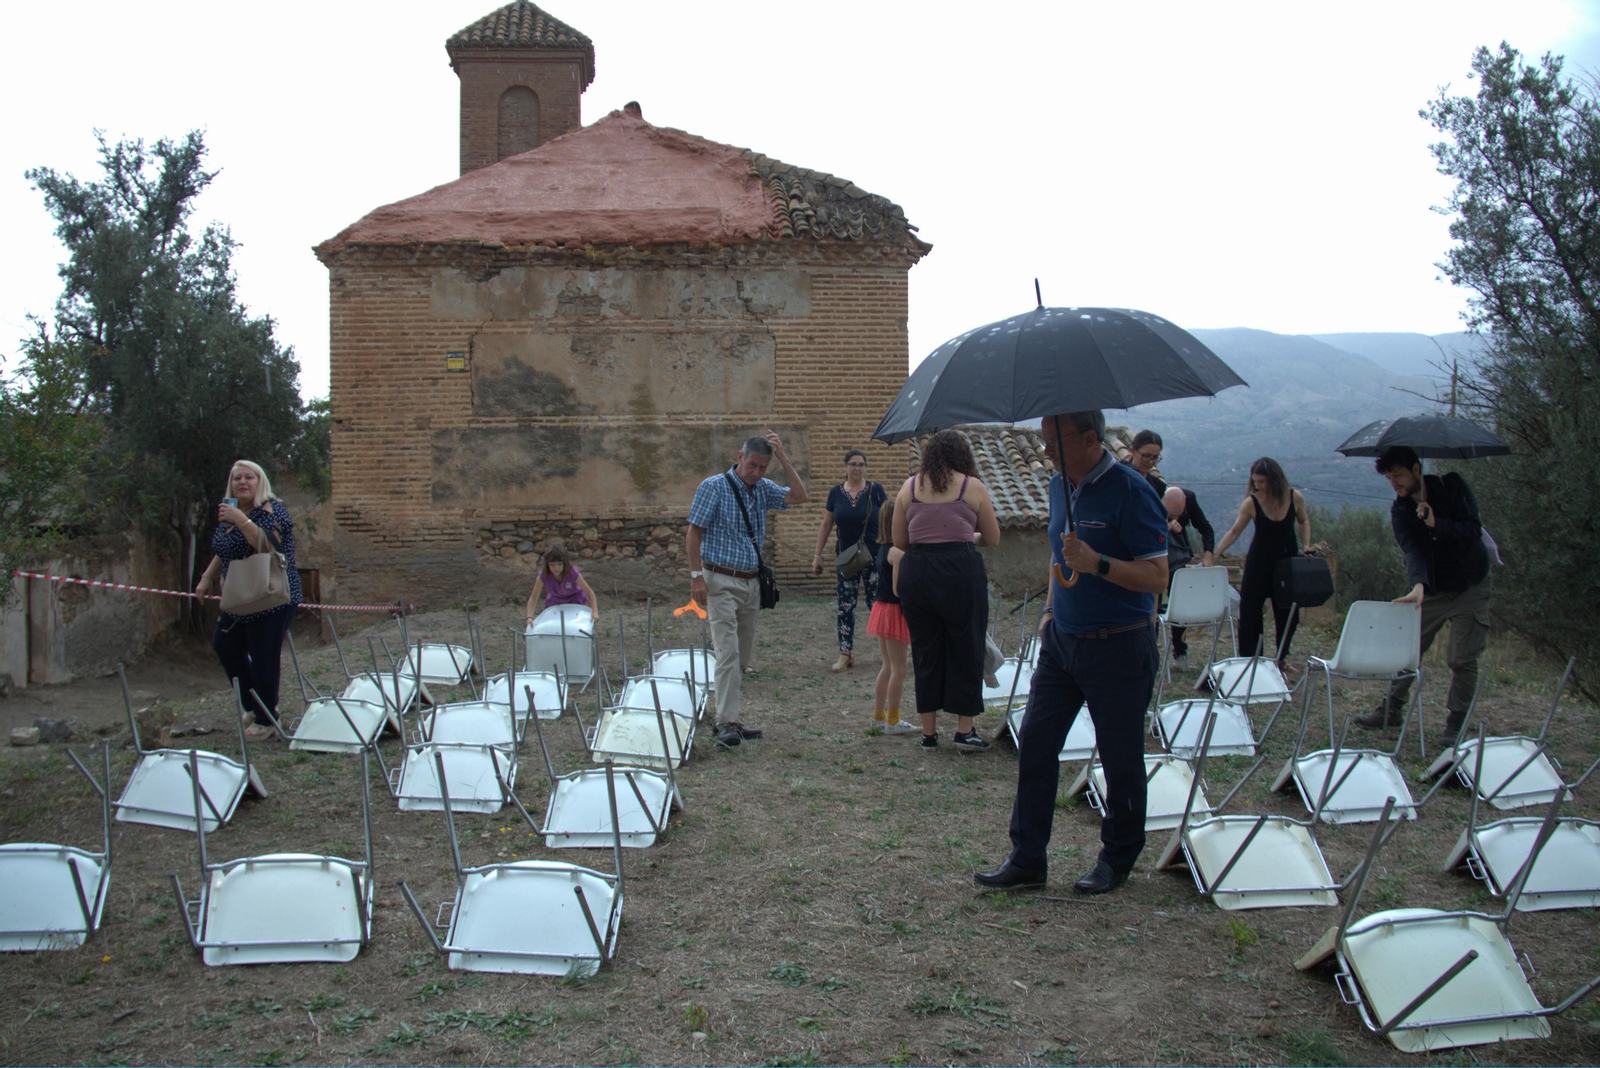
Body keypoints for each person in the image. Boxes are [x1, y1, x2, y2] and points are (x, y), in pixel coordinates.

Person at [975, 410, 1168, 895]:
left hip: (1119, 644)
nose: (1045, 453)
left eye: (1054, 442)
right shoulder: (1060, 486)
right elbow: (1058, 553)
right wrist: (1049, 610)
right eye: (1043, 441)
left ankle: (1117, 858)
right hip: (1063, 643)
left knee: (1120, 756)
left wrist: (1098, 563)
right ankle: (1027, 859)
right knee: (1036, 743)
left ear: (1089, 439)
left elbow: (1157, 576)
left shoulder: (1132, 491)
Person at [1355, 446, 1492, 746]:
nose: (1394, 483)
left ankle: (1456, 723)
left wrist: (1435, 523)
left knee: (1462, 657)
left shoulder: (1452, 487)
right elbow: (1411, 550)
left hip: (1470, 585)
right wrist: (1418, 584)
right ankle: (1391, 710)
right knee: (1408, 647)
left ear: (1417, 470)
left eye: (1399, 475)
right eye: (1389, 478)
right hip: (1432, 588)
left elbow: (1472, 529)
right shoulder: (1400, 511)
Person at [686, 431, 808, 747]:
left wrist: (784, 458)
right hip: (719, 580)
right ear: (740, 457)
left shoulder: (763, 488)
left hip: (751, 582)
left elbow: (799, 496)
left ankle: (727, 718)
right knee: (727, 653)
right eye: (752, 464)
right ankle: (727, 722)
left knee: (741, 656)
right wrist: (696, 576)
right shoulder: (713, 487)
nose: (756, 472)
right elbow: (694, 532)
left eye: (763, 467)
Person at [892, 429, 1001, 752]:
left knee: (925, 650)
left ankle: (929, 734)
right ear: (961, 456)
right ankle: (964, 731)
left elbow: (900, 541)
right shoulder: (972, 486)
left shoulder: (909, 487)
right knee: (967, 647)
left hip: (918, 572)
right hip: (959, 572)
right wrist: (965, 535)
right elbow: (992, 538)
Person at [193, 460, 302, 742]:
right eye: (236, 478)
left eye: (249, 477)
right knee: (225, 644)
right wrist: (206, 577)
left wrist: (241, 520)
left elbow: (269, 544)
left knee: (263, 653)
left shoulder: (271, 509)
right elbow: (225, 549)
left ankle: (266, 719)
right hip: (240, 593)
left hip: (271, 593)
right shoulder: (230, 511)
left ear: (260, 481)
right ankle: (253, 705)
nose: (242, 482)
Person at [1213, 457, 1313, 668]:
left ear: (1274, 479)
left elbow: (1303, 521)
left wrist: (1306, 545)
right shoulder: (1252, 502)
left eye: (1262, 481)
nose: (1258, 486)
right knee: (1250, 611)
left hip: (1286, 563)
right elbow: (1235, 531)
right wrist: (1217, 553)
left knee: (1287, 613)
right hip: (1258, 563)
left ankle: (1281, 658)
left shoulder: (1295, 497)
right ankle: (1251, 660)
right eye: (1255, 481)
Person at [812, 449, 888, 672]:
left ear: (866, 467)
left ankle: (888, 652)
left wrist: (891, 549)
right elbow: (826, 524)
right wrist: (817, 555)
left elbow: (888, 518)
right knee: (845, 606)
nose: (857, 468)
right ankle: (845, 653)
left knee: (877, 604)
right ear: (845, 466)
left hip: (874, 557)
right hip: (846, 558)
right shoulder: (835, 493)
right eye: (853, 464)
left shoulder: (875, 490)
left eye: (861, 464)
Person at [865, 497, 914, 734]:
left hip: (881, 609)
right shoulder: (897, 553)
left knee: (887, 666)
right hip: (894, 612)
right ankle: (893, 721)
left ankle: (878, 716)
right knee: (899, 668)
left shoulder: (882, 549)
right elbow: (898, 590)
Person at [1161, 484, 1217, 669]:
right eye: (1172, 514)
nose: (1177, 518)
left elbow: (1206, 529)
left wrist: (1208, 553)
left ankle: (1180, 653)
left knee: (1179, 601)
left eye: (1180, 515)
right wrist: (1165, 525)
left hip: (1176, 554)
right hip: (1154, 553)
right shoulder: (1152, 496)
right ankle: (1151, 652)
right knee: (1152, 603)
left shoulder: (1190, 499)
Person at [525, 541, 598, 625]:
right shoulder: (543, 575)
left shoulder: (572, 572)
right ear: (547, 564)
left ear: (565, 563)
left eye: (560, 564)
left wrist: (595, 612)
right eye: (552, 565)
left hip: (574, 602)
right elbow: (534, 597)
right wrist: (529, 617)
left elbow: (588, 591)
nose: (556, 568)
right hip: (554, 603)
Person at [1128, 429, 1168, 498]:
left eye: (1155, 457)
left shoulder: (1158, 487)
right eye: (1146, 456)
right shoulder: (1120, 477)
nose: (1150, 462)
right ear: (1133, 451)